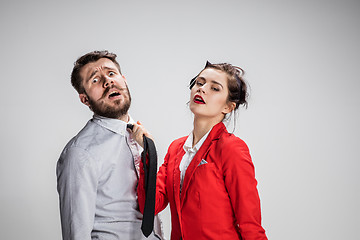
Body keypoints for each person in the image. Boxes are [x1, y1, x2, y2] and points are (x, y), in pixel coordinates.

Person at [130, 62, 268, 239]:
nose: (202, 89)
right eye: (199, 83)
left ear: (228, 107)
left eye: (215, 88)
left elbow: (250, 224)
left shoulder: (231, 148)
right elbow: (150, 206)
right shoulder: (176, 148)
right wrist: (148, 150)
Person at [56, 50, 163, 240]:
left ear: (124, 79)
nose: (108, 81)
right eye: (95, 80)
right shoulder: (80, 153)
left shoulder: (140, 137)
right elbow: (76, 233)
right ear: (85, 99)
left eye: (111, 73)